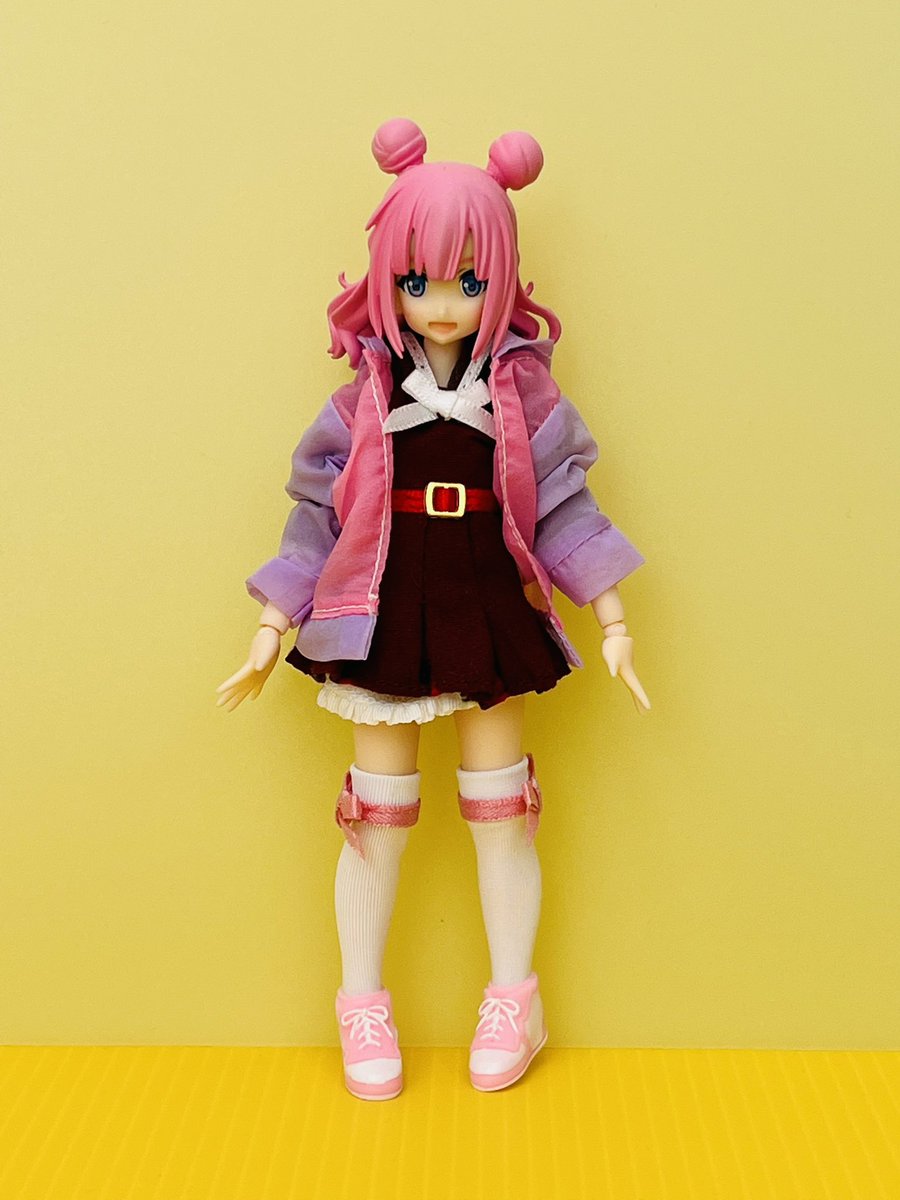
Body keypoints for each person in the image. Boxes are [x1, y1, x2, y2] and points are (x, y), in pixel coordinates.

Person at [217, 118, 650, 1101]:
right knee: (376, 815)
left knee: (503, 813)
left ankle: (514, 997)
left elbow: (566, 505)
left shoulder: (523, 396)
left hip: (487, 600)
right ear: (387, 280)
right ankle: (361, 1001)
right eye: (417, 282)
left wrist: (614, 619)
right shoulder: (361, 401)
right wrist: (271, 624)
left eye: (468, 281)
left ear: (502, 281)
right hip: (380, 604)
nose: (443, 305)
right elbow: (314, 518)